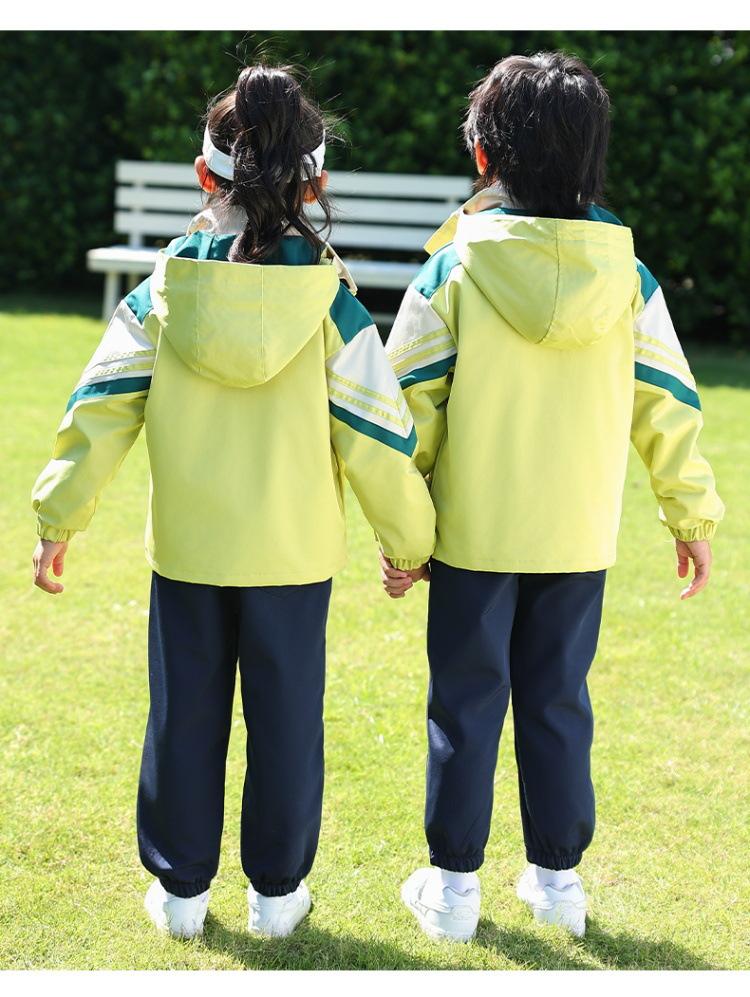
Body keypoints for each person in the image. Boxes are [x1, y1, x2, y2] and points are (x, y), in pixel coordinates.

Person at [31, 64, 435, 940]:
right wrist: (411, 541)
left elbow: (99, 407)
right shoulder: (332, 306)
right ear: (314, 184)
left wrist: (59, 516)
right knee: (286, 724)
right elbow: (378, 435)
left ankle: (181, 895)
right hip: (293, 556)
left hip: (189, 551)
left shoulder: (162, 291)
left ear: (203, 174)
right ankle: (278, 898)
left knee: (183, 717)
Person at [381, 51, 724, 942]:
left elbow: (404, 414)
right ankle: (558, 884)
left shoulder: (451, 268)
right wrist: (689, 514)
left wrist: (405, 534)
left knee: (464, 704)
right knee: (558, 701)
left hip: (474, 535)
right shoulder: (629, 274)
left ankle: (453, 892)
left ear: (484, 157)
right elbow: (668, 401)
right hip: (578, 535)